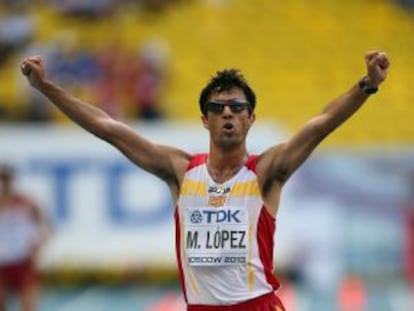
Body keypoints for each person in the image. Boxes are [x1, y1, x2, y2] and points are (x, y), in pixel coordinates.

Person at [19, 50, 390, 311]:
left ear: (251, 119)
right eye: (217, 107)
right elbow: (108, 128)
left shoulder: (265, 173)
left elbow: (320, 125)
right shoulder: (180, 171)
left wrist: (367, 85)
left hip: (257, 307)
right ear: (205, 120)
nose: (227, 113)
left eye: (237, 107)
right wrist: (47, 87)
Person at [0, 164, 51, 311]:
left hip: (23, 261)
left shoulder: (26, 202)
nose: (4, 183)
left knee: (28, 306)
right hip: (1, 262)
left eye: (6, 179)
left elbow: (47, 225)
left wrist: (39, 243)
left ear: (12, 180)